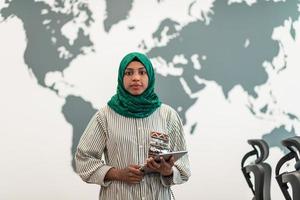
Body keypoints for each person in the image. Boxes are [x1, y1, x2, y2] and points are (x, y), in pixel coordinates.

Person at [75, 52, 191, 200]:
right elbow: (83, 159)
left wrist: (167, 170)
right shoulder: (104, 116)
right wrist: (118, 174)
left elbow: (183, 169)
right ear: (121, 78)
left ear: (150, 77)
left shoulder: (168, 115)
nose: (136, 77)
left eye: (142, 72)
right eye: (129, 73)